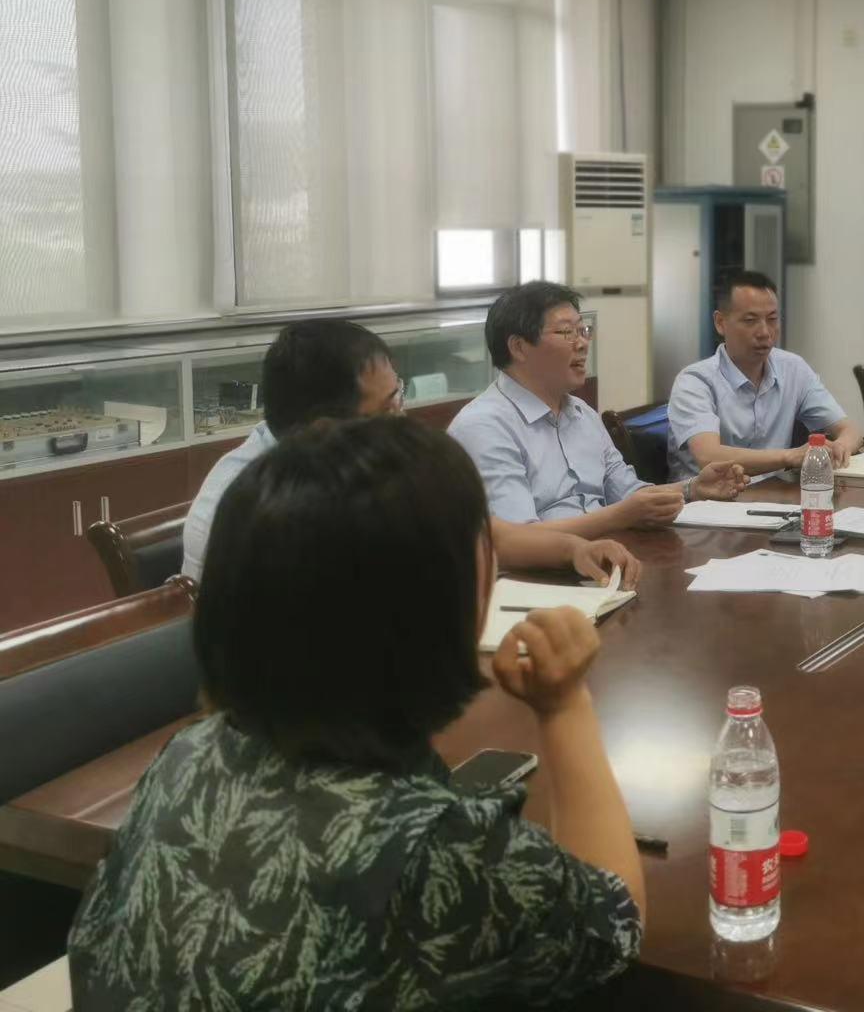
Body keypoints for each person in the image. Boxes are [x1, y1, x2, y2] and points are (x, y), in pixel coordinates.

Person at [69, 416, 644, 1007]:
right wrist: (566, 705)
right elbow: (613, 925)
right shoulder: (436, 849)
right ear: (434, 605)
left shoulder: (183, 758)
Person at [181, 318, 637, 584]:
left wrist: (571, 548)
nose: (402, 419)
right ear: (326, 429)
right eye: (388, 407)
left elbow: (477, 532)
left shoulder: (351, 459)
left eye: (399, 394)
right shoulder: (253, 501)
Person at [450, 282, 747, 537]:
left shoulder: (582, 414)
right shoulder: (484, 427)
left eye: (583, 330)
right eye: (567, 332)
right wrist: (620, 516)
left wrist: (692, 489)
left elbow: (629, 493)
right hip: (536, 576)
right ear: (519, 347)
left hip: (606, 555)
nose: (582, 343)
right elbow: (519, 537)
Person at [667, 271, 863, 480]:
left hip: (773, 494)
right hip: (708, 497)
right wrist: (790, 456)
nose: (764, 332)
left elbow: (850, 430)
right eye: (750, 320)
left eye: (772, 319)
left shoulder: (793, 368)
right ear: (720, 322)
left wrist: (840, 447)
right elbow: (709, 457)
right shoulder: (694, 381)